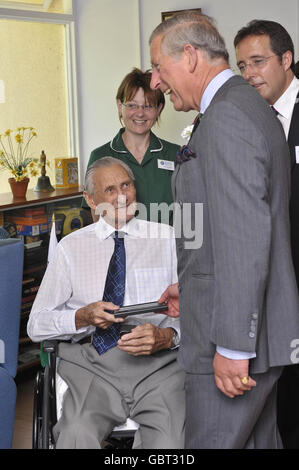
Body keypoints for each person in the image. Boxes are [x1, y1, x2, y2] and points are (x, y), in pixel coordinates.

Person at [149, 12, 299, 449]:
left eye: (160, 67)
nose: (156, 81)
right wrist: (192, 285)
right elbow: (226, 227)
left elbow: (246, 238)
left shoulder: (228, 116)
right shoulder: (238, 106)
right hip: (237, 322)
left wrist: (234, 346)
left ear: (190, 57)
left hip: (233, 338)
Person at [27, 157, 185, 449]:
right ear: (90, 199)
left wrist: (167, 336)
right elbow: (36, 325)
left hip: (159, 365)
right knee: (75, 434)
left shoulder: (167, 239)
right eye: (110, 190)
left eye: (126, 185)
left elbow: (196, 313)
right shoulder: (70, 249)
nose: (122, 196)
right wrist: (81, 317)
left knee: (171, 441)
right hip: (91, 366)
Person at [234, 19, 299, 449]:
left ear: (286, 59)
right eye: (242, 65)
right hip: (273, 282)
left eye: (258, 61)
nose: (249, 74)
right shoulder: (248, 118)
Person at [82, 67, 179, 224]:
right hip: (121, 247)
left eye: (148, 106)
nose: (140, 113)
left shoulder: (175, 154)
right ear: (120, 106)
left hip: (165, 246)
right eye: (132, 105)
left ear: (159, 109)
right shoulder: (100, 156)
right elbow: (97, 218)